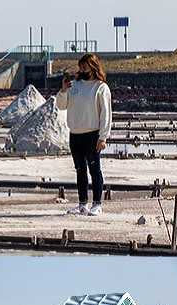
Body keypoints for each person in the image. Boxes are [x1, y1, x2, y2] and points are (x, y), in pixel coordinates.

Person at [56, 53, 112, 216]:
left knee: (95, 170)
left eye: (85, 65)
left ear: (93, 66)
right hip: (75, 134)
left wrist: (103, 137)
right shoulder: (74, 86)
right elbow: (61, 105)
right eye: (81, 65)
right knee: (80, 170)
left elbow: (106, 114)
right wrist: (63, 90)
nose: (82, 68)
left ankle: (97, 204)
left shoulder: (101, 87)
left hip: (92, 134)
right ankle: (82, 204)